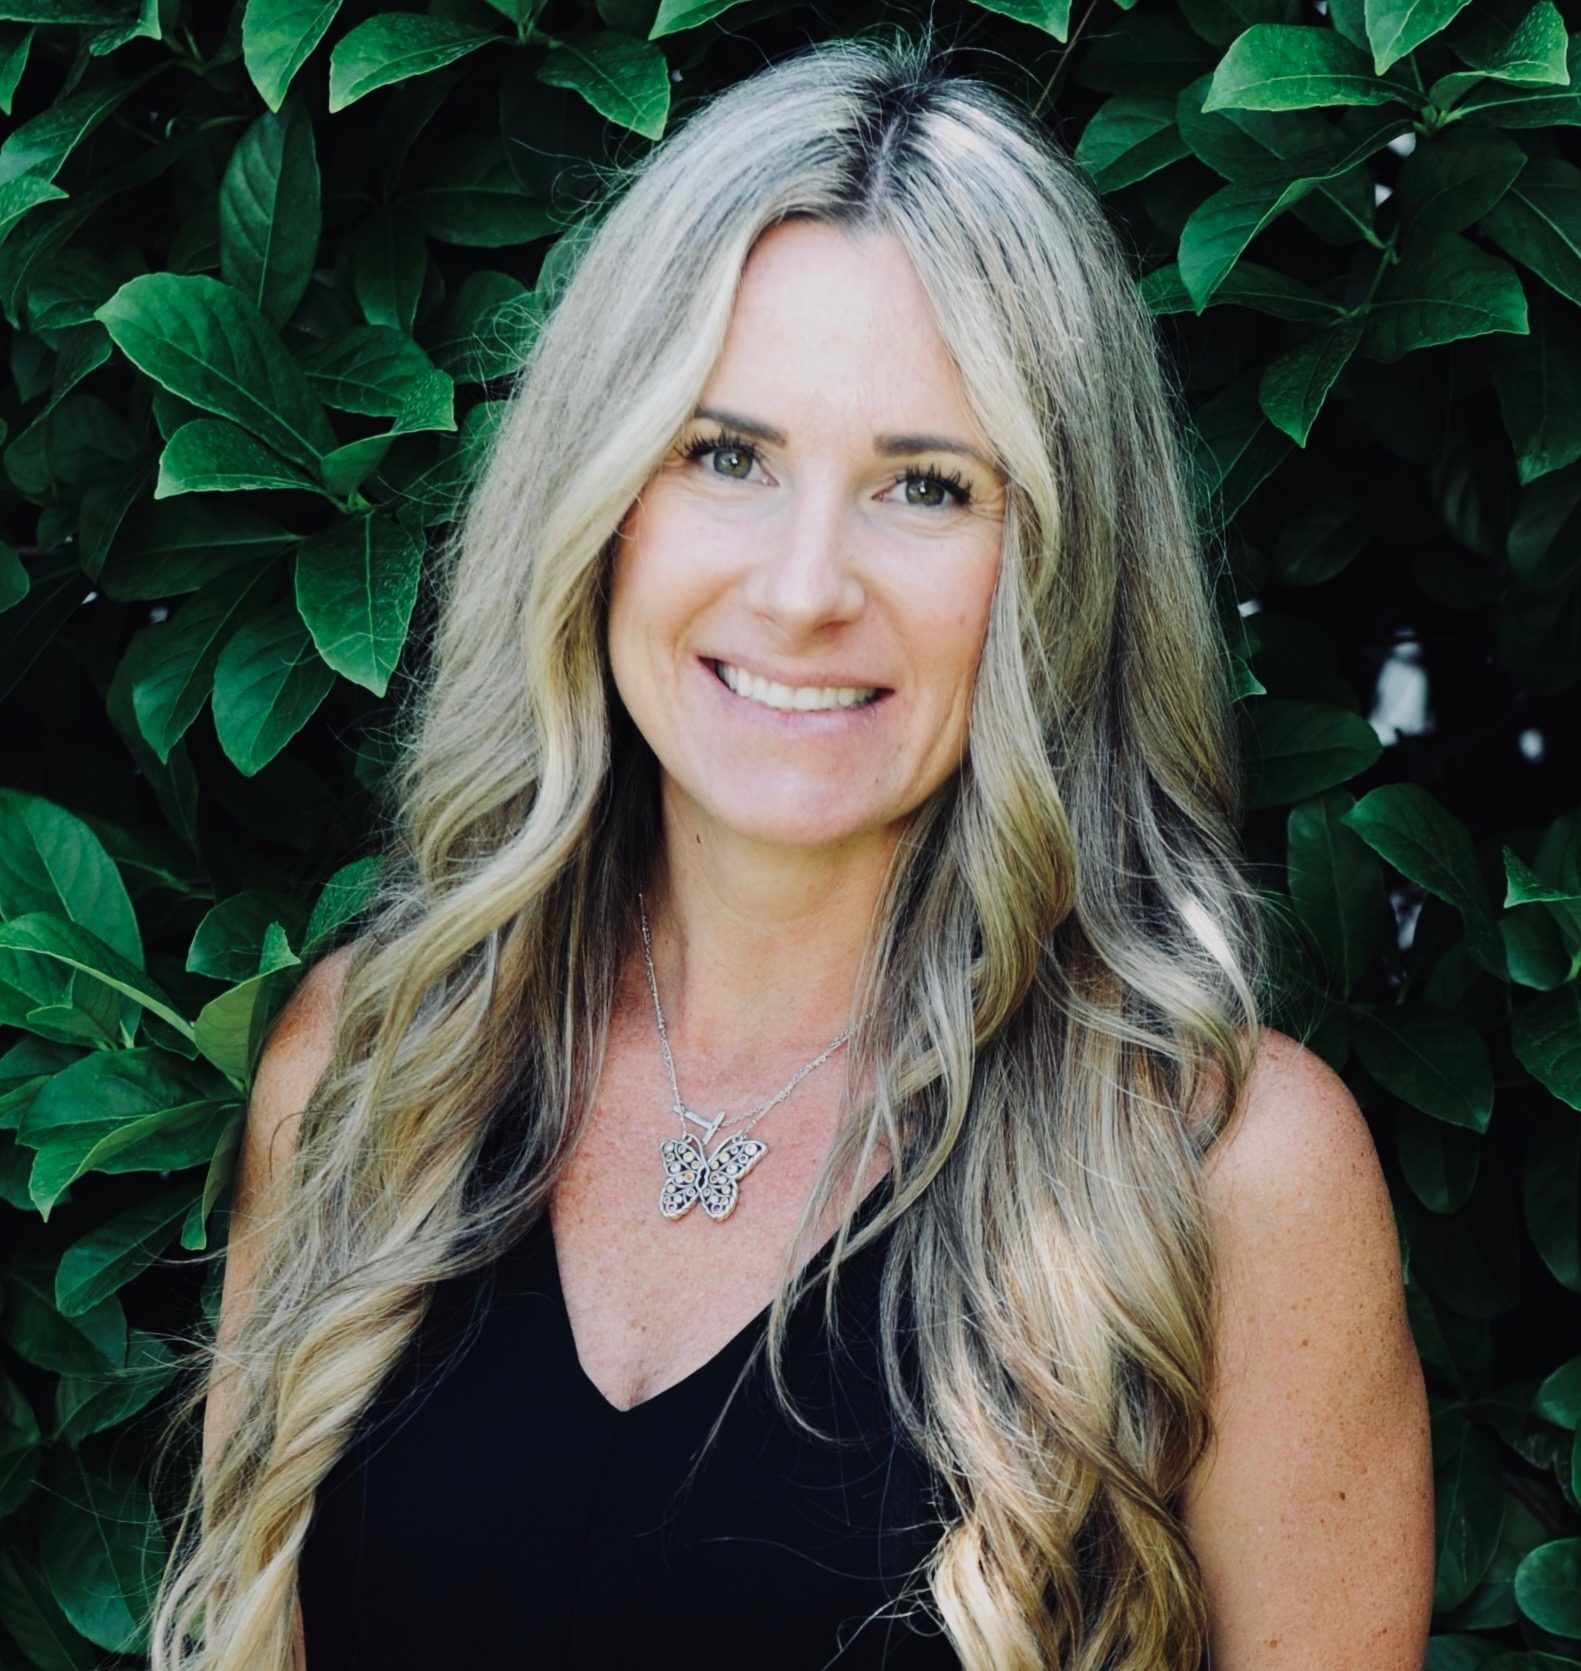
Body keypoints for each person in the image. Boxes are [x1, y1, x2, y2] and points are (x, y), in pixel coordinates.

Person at [148, 29, 1435, 1671]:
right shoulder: (373, 1069)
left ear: (1058, 563)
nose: (805, 588)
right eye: (725, 455)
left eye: (925, 486)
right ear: (599, 501)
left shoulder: (1223, 1173)